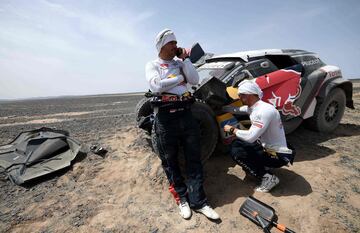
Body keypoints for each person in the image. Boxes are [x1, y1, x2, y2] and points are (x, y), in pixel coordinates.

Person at [145, 29, 219, 220]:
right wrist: (179, 78)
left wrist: (185, 61)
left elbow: (194, 80)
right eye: (172, 43)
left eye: (176, 42)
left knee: (193, 159)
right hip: (165, 118)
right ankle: (182, 199)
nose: (175, 46)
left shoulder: (180, 63)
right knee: (170, 162)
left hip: (186, 114)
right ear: (161, 46)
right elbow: (156, 86)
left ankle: (199, 202)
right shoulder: (152, 65)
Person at [223, 79, 295, 192]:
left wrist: (232, 129)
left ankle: (267, 177)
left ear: (248, 95)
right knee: (237, 143)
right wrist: (222, 108)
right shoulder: (255, 107)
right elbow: (237, 109)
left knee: (237, 151)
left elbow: (250, 137)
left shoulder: (263, 111)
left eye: (240, 96)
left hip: (278, 155)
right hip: (271, 147)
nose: (239, 99)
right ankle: (262, 166)